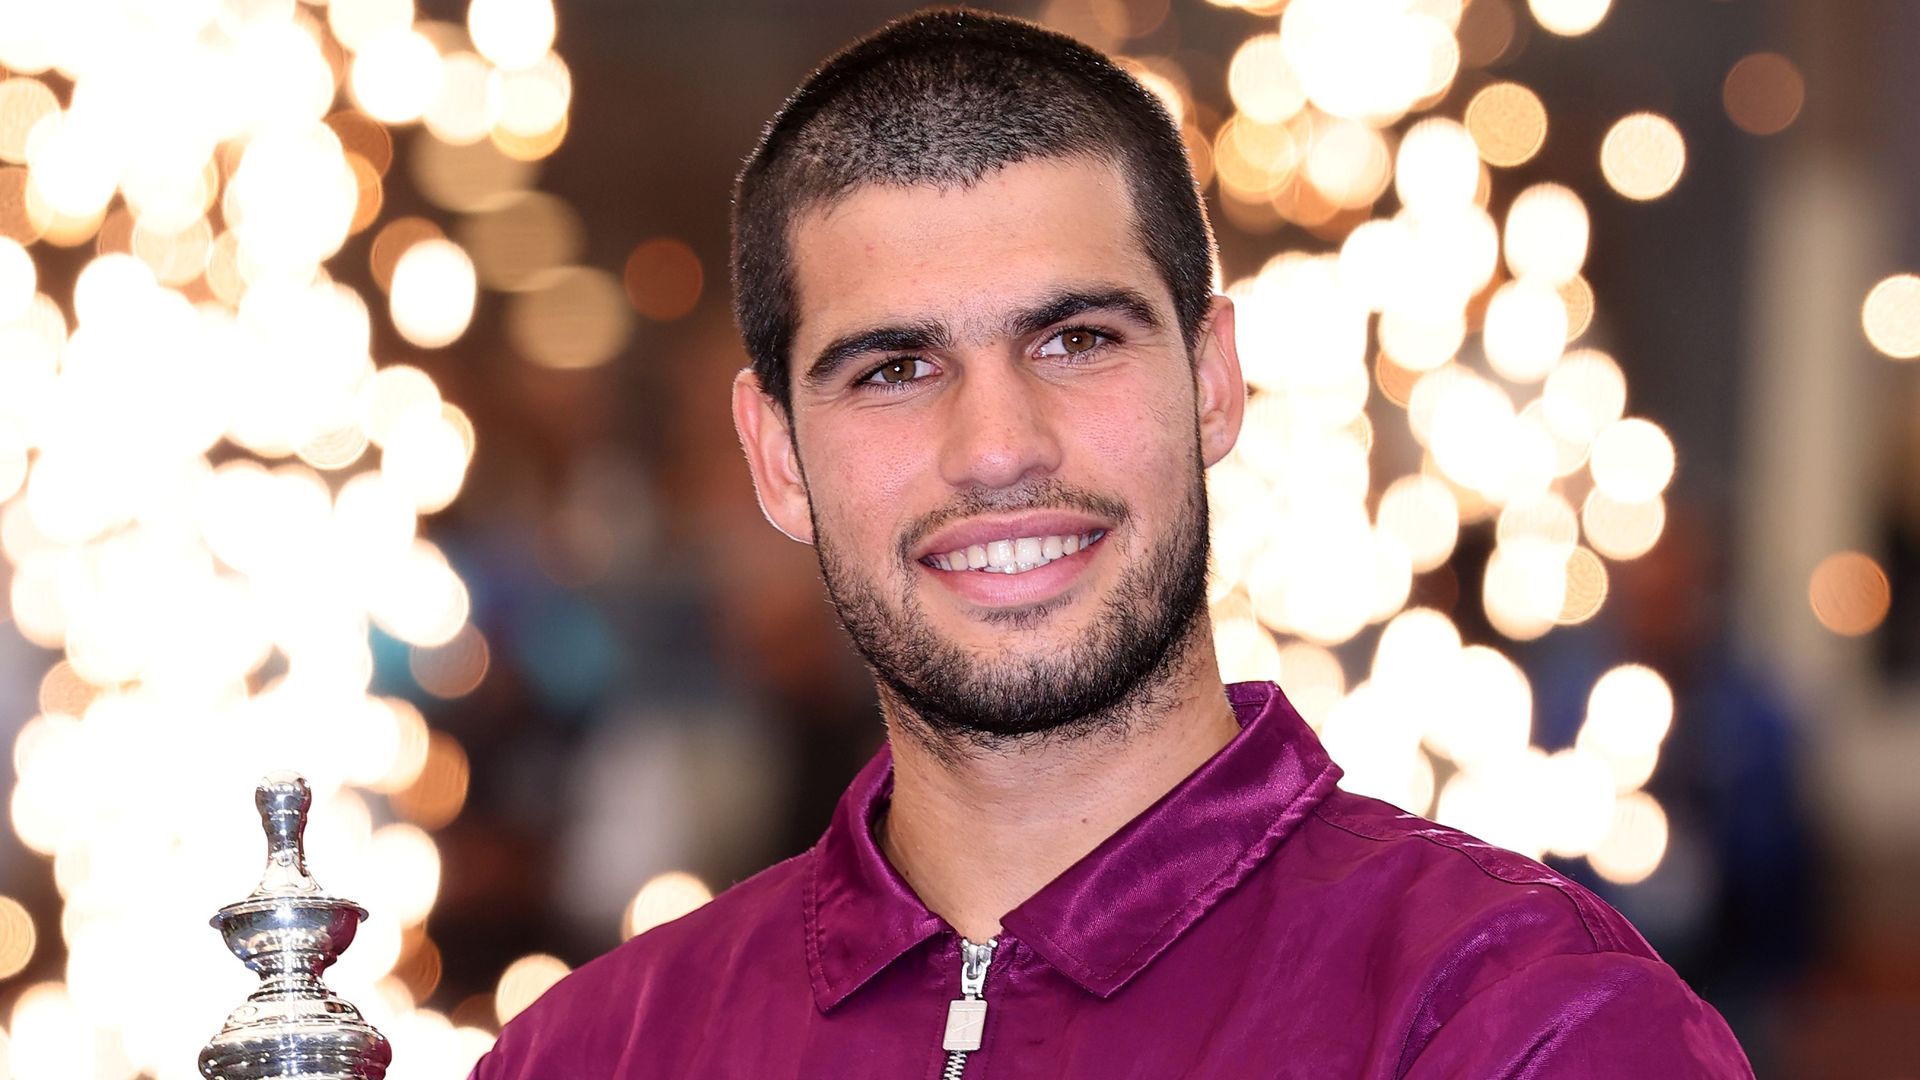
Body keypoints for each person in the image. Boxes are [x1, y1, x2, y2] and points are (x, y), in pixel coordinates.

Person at [471, 9, 1753, 1077]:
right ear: (777, 457)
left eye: (1077, 340)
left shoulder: (1521, 1024)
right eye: (894, 369)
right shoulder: (589, 1053)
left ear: (1212, 382)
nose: (997, 447)